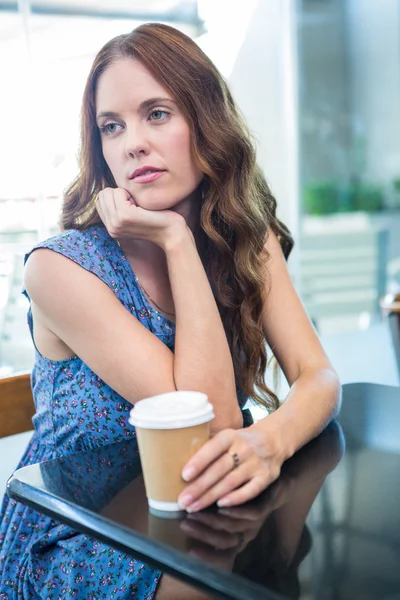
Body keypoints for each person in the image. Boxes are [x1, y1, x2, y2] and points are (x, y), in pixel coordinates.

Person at [0, 22, 341, 600]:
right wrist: (177, 242)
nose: (132, 142)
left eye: (157, 113)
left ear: (207, 122)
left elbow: (320, 378)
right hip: (79, 533)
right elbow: (207, 426)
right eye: (112, 126)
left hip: (203, 516)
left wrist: (272, 441)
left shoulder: (245, 241)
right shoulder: (60, 269)